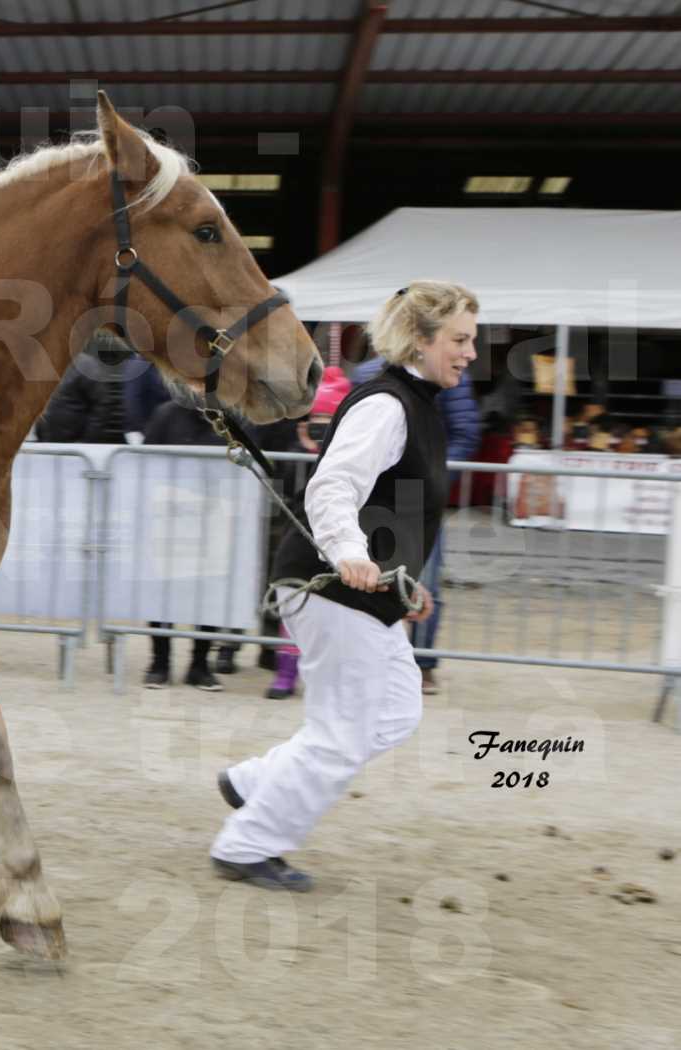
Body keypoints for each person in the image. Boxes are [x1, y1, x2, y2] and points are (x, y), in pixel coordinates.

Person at [210, 281, 476, 892]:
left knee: (396, 712)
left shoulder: (418, 405)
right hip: (330, 585)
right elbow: (333, 488)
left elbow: (397, 507)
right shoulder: (385, 405)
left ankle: (254, 783)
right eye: (459, 340)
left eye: (472, 342)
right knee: (343, 734)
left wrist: (406, 582)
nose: (469, 354)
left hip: (368, 595)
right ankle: (248, 844)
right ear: (421, 339)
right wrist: (353, 553)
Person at [352, 347, 480, 694]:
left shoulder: (450, 373)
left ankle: (422, 663)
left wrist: (431, 477)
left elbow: (465, 432)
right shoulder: (366, 374)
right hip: (376, 497)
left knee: (427, 582)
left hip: (421, 499)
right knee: (370, 578)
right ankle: (375, 661)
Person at [139, 397, 252, 690]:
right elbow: (145, 464)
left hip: (214, 521)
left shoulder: (230, 419)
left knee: (209, 593)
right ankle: (159, 662)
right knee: (163, 592)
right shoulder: (166, 414)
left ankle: (199, 665)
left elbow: (244, 462)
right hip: (170, 520)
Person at [263, 366, 352, 700]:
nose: (320, 431)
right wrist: (303, 449)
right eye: (316, 423)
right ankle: (285, 672)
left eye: (328, 424)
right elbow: (287, 488)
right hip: (299, 535)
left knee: (336, 611)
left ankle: (330, 676)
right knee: (294, 606)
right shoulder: (295, 450)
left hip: (339, 539)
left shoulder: (350, 451)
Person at [35, 329, 129, 443]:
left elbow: (104, 403)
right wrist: (41, 433)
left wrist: (87, 441)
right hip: (51, 447)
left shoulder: (85, 365)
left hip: (76, 450)